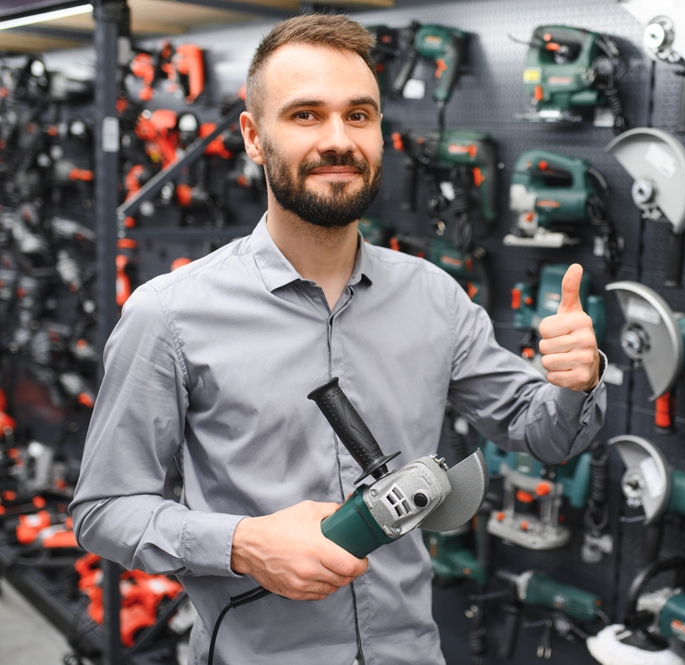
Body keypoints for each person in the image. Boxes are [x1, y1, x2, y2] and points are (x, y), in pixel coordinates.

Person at [70, 13, 606, 665]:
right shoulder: (169, 314)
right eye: (305, 115)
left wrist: (576, 382)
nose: (337, 139)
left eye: (359, 115)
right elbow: (103, 510)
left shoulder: (433, 295)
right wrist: (241, 543)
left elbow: (544, 432)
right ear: (252, 137)